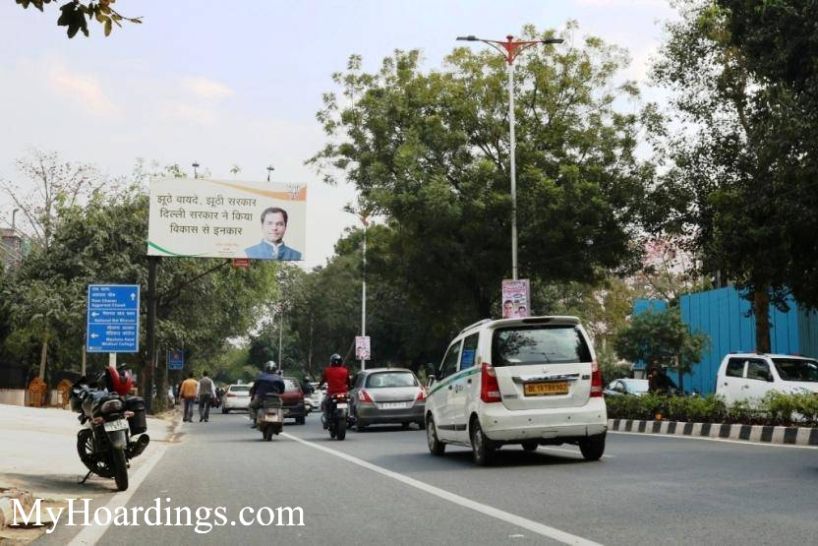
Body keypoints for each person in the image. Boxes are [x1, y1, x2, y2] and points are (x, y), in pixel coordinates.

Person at [248, 361, 285, 428]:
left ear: (266, 368)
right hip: (275, 398)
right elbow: (282, 390)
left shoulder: (260, 377)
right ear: (275, 369)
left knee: (251, 406)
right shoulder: (279, 378)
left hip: (262, 397)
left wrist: (254, 393)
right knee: (281, 406)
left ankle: (255, 420)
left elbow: (255, 387)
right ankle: (280, 420)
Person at [318, 353, 351, 428]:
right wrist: (349, 387)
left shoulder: (327, 370)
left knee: (325, 403)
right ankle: (349, 415)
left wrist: (319, 386)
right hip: (343, 393)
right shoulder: (345, 371)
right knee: (349, 402)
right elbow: (348, 382)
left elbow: (323, 380)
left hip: (331, 393)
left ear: (331, 362)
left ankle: (327, 418)